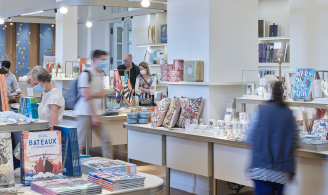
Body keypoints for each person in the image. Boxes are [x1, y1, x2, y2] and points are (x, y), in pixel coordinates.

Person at [246, 82, 298, 195]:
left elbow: (249, 138)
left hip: (261, 169)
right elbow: (296, 142)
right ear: (283, 94)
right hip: (282, 171)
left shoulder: (260, 111)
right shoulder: (289, 114)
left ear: (271, 93)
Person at [74, 50, 112, 158]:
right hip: (84, 113)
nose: (104, 62)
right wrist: (94, 116)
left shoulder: (101, 74)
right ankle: (72, 167)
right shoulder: (85, 75)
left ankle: (109, 166)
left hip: (98, 112)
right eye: (102, 59)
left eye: (105, 59)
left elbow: (104, 94)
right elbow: (85, 97)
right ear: (95, 59)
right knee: (79, 143)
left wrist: (92, 94)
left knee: (106, 140)